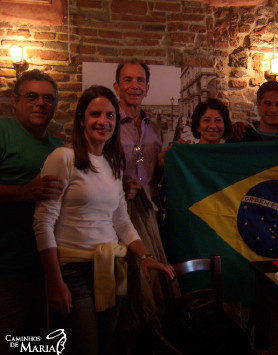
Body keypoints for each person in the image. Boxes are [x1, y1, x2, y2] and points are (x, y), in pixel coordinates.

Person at [33, 86, 174, 355]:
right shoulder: (64, 157)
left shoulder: (114, 163)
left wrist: (145, 256)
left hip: (112, 264)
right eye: (95, 114)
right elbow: (42, 223)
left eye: (110, 115)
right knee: (84, 347)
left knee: (108, 344)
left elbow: (121, 219)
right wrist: (53, 279)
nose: (103, 121)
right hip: (74, 270)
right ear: (81, 119)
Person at [0, 69, 64, 353]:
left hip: (45, 269)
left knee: (38, 345)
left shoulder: (59, 146)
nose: (41, 103)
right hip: (5, 269)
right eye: (32, 97)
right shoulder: (2, 132)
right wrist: (21, 192)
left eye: (48, 99)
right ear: (14, 100)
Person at [112, 60, 172, 352]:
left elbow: (155, 176)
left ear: (147, 89)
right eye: (127, 80)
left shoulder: (154, 127)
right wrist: (120, 183)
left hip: (149, 211)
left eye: (139, 81)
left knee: (151, 281)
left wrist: (162, 165)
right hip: (118, 214)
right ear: (117, 86)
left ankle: (150, 342)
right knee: (126, 284)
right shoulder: (108, 122)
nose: (134, 85)